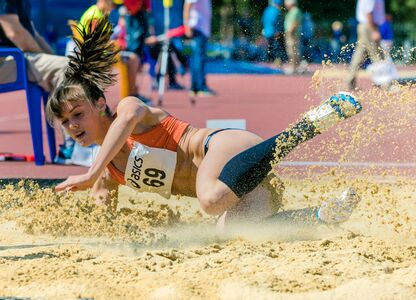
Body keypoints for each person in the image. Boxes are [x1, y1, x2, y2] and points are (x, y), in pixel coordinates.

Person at [48, 16, 363, 228]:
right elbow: (101, 222)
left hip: (228, 148)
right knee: (234, 234)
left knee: (209, 201)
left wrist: (90, 172)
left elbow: (126, 119)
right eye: (65, 121)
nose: (72, 125)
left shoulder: (129, 109)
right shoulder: (106, 172)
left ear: (100, 103)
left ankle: (306, 126)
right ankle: (320, 214)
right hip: (243, 186)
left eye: (78, 114)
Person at [0, 0, 67, 92]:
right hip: (6, 59)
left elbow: (35, 36)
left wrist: (53, 56)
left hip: (17, 58)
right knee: (67, 68)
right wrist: (44, 57)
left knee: (71, 65)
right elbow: (15, 33)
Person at [346, 0, 386, 90]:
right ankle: (385, 83)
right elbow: (368, 12)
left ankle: (350, 80)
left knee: (360, 55)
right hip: (369, 26)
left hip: (365, 26)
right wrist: (374, 30)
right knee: (377, 55)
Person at [183, 0, 216, 97]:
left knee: (198, 57)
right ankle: (199, 86)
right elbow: (187, 6)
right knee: (198, 58)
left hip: (202, 28)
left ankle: (195, 87)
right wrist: (187, 26)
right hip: (197, 27)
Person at [262, 0, 288, 65]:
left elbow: (262, 20)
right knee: (276, 48)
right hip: (274, 32)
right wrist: (278, 31)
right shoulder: (276, 11)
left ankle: (267, 62)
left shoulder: (267, 10)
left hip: (266, 32)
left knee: (268, 49)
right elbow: (276, 22)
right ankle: (277, 62)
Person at [283, 0, 302, 75]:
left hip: (292, 34)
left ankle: (294, 67)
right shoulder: (293, 11)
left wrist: (290, 32)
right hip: (292, 33)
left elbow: (295, 22)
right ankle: (295, 66)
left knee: (292, 51)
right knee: (293, 50)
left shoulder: (295, 11)